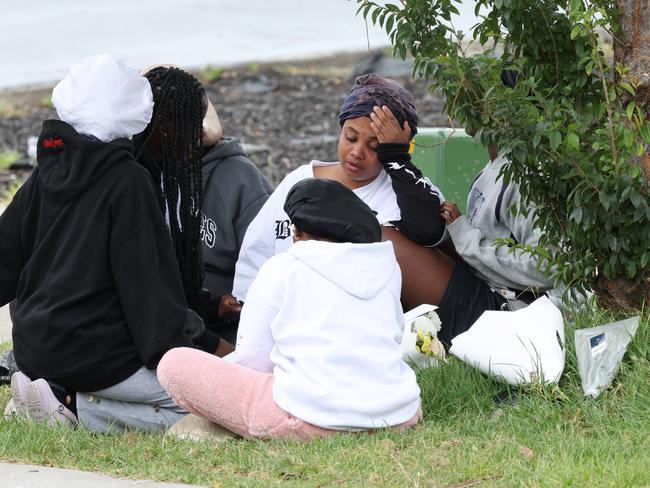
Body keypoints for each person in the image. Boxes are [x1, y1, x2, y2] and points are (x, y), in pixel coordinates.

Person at [1, 55, 197, 432]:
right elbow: (146, 289)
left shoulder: (45, 173)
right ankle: (75, 410)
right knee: (196, 404)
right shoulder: (128, 181)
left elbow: (5, 256)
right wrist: (177, 356)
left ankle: (51, 396)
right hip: (95, 355)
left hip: (33, 348)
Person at [157, 179, 421, 440]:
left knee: (174, 364)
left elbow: (253, 360)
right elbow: (393, 337)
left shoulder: (282, 268)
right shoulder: (386, 266)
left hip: (307, 418)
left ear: (297, 232)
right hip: (398, 415)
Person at [231, 74, 448, 304]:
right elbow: (256, 251)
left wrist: (398, 160)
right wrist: (246, 305)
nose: (357, 152)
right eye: (350, 137)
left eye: (374, 147)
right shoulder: (299, 181)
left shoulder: (404, 194)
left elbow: (432, 232)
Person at [135, 66, 272, 347]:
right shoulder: (133, 175)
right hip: (165, 327)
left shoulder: (239, 179)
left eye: (198, 124)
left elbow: (272, 266)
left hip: (230, 329)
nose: (196, 135)